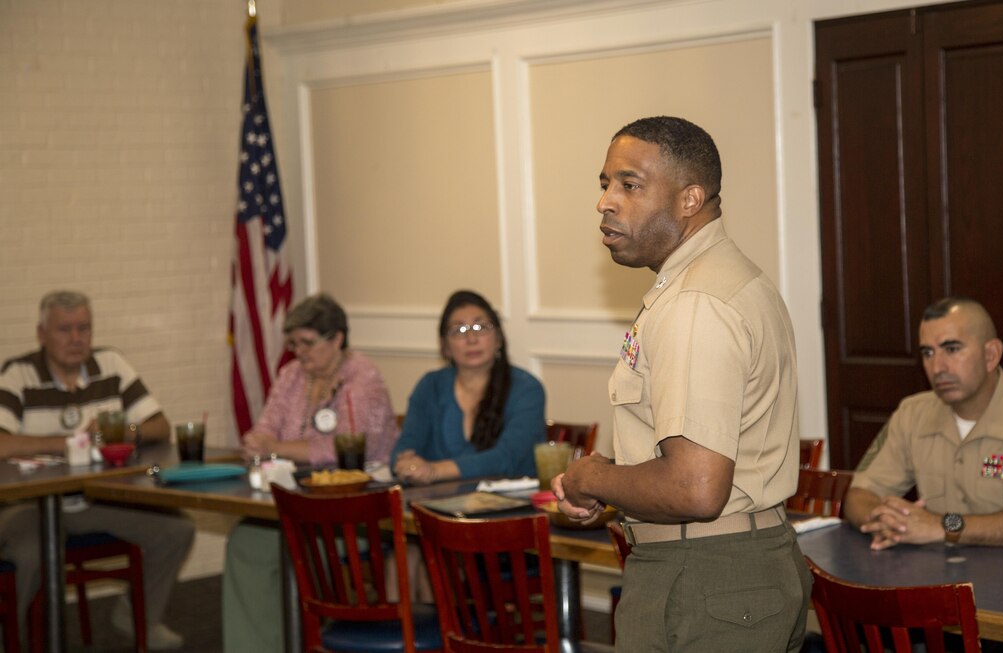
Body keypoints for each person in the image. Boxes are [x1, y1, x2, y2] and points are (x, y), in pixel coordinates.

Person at [554, 116, 810, 652]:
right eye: (604, 184)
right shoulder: (729, 279)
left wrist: (592, 479)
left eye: (629, 185)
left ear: (690, 198)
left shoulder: (697, 304)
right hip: (737, 568)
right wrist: (619, 484)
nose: (606, 202)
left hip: (703, 578)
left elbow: (695, 487)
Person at [0, 290, 193, 650]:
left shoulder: (111, 364)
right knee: (31, 552)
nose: (76, 339)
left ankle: (137, 617)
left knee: (176, 530)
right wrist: (71, 442)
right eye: (65, 329)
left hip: (93, 499)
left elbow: (158, 427)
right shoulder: (19, 373)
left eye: (84, 329)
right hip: (27, 504)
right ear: (42, 334)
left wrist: (118, 432)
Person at [223, 293, 400, 653]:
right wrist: (259, 442)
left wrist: (275, 447)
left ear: (336, 338)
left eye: (307, 343)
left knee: (273, 542)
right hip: (295, 505)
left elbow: (341, 449)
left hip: (355, 513)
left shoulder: (363, 381)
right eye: (293, 344)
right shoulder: (291, 376)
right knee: (246, 539)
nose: (298, 352)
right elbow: (265, 429)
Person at [844, 297, 1003, 551]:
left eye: (952, 349)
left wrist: (943, 526)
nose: (937, 367)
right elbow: (858, 495)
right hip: (943, 577)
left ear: (991, 355)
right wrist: (890, 522)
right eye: (928, 353)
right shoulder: (912, 414)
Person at [391, 290, 545, 484]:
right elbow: (404, 448)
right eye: (459, 330)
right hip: (436, 506)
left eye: (481, 327)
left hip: (510, 507)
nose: (471, 339)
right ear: (445, 346)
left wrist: (435, 470)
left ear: (498, 338)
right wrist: (407, 465)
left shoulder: (526, 388)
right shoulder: (430, 386)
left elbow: (506, 458)